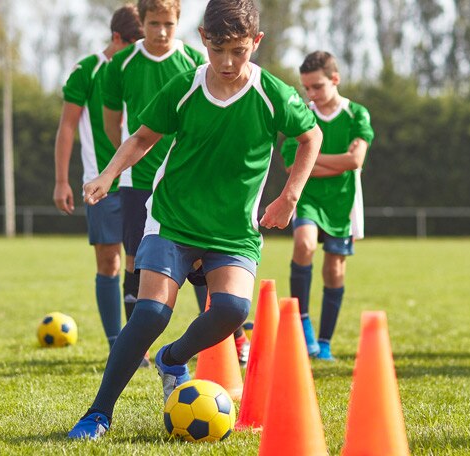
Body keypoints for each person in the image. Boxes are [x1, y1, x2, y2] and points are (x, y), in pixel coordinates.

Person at [67, 0, 322, 439]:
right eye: (218, 48)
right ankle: (97, 414)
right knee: (148, 313)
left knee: (232, 309)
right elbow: (143, 136)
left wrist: (289, 196)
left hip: (232, 231)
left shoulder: (272, 93)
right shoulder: (185, 88)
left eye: (238, 51)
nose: (226, 62)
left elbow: (310, 136)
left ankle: (172, 358)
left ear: (255, 43)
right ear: (203, 38)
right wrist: (107, 174)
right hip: (172, 220)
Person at [101, 0, 207, 367]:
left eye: (169, 24)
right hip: (138, 178)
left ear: (178, 22)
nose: (161, 32)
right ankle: (138, 347)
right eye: (153, 23)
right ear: (141, 22)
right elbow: (112, 121)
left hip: (184, 178)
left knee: (200, 254)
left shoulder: (195, 62)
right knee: (135, 258)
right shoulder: (121, 64)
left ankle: (223, 340)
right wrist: (122, 160)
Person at [53, 5, 143, 350]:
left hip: (143, 180)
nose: (139, 49)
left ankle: (139, 343)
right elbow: (66, 126)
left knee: (141, 262)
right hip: (101, 183)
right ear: (117, 38)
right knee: (109, 260)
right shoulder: (87, 70)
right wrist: (62, 180)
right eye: (133, 42)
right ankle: (115, 342)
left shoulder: (144, 67)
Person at [280, 51, 374, 361]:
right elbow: (291, 165)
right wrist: (340, 163)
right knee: (303, 244)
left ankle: (325, 343)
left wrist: (311, 160)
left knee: (334, 269)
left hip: (343, 203)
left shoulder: (357, 114)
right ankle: (302, 323)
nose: (311, 94)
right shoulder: (303, 114)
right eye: (306, 88)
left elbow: (356, 160)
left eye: (317, 87)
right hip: (309, 197)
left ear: (335, 80)